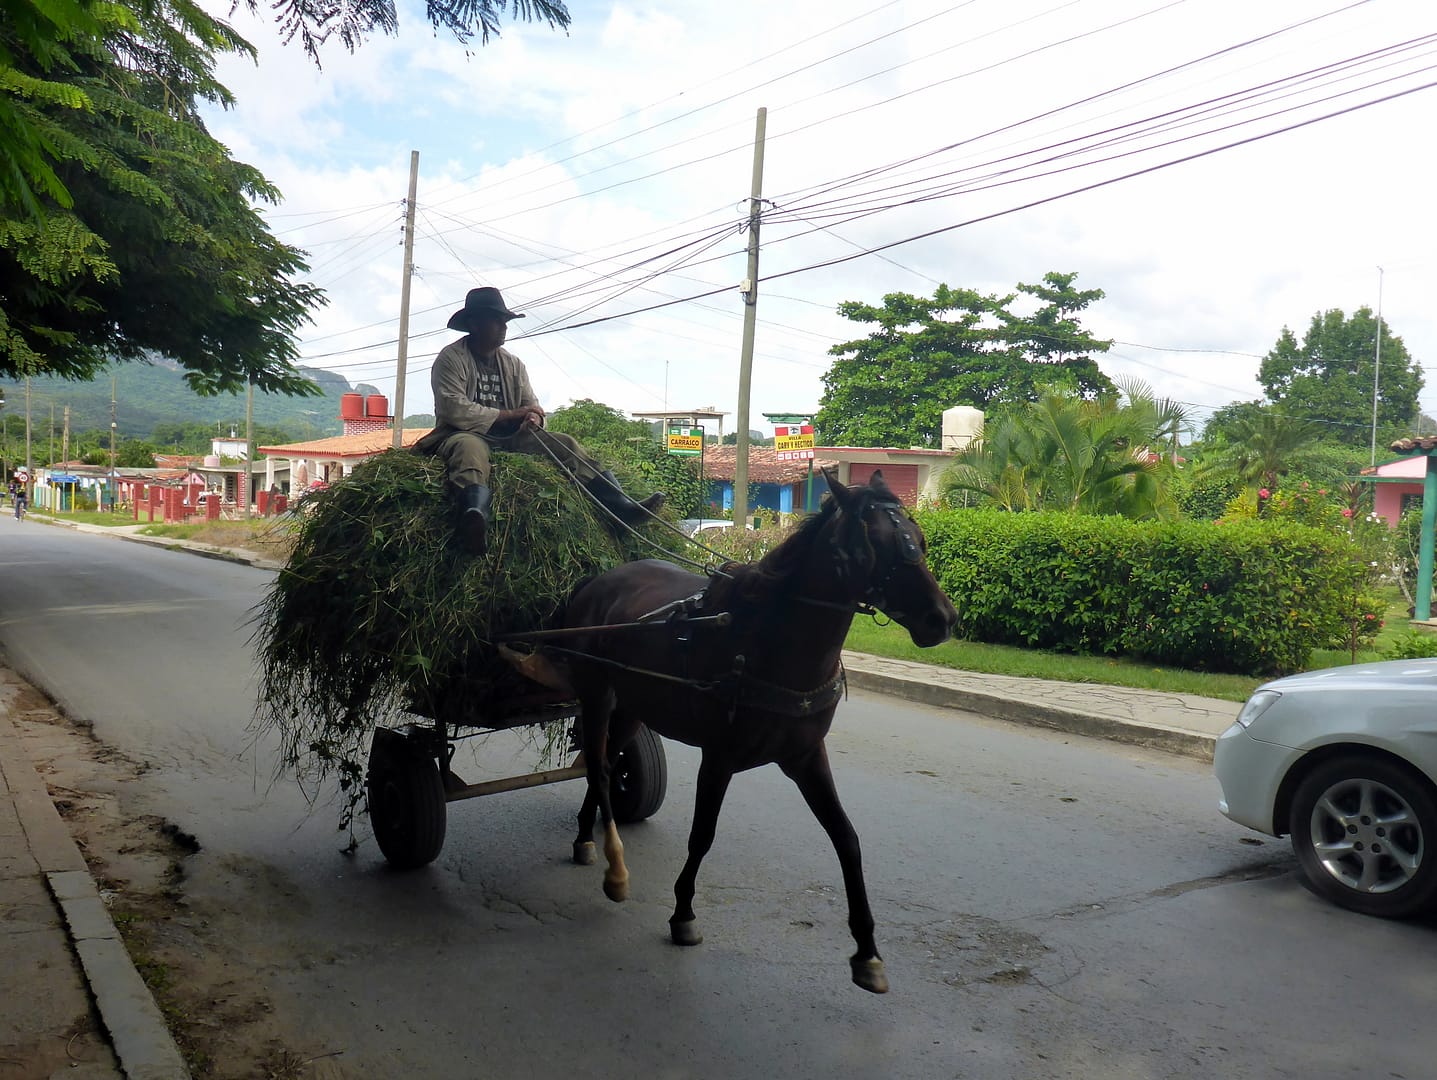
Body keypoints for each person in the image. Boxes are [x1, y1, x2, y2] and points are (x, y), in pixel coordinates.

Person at [414, 287, 665, 556]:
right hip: (464, 432)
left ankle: (620, 506)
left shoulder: (513, 364)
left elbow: (531, 405)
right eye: (497, 320)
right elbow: (454, 409)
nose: (504, 327)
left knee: (565, 443)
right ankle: (474, 517)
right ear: (474, 324)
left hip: (512, 436)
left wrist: (534, 418)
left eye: (505, 321)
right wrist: (513, 414)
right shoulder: (451, 359)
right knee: (469, 451)